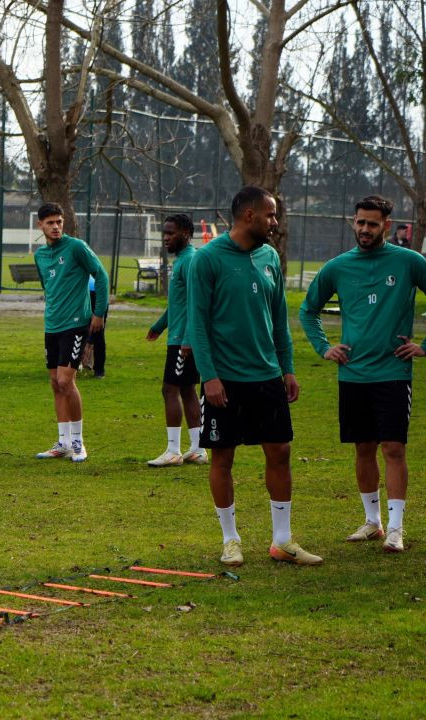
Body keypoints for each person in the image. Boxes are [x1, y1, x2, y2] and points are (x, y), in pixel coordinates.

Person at [299, 195, 426, 553]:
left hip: (393, 372)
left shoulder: (409, 262)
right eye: (360, 222)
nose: (365, 229)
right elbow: (308, 310)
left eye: (372, 224)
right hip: (353, 374)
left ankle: (396, 528)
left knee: (393, 448)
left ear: (387, 226)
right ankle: (372, 522)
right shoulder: (338, 266)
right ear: (354, 222)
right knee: (363, 448)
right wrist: (324, 347)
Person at [187, 185, 320, 566]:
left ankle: (282, 541)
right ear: (249, 215)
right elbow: (198, 323)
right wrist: (209, 376)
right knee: (221, 458)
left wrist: (288, 368)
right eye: (271, 215)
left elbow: (279, 320)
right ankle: (231, 540)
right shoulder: (207, 260)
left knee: (280, 452)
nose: (275, 222)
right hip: (224, 379)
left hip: (267, 377)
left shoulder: (270, 257)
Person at [31, 202, 108, 463]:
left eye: (59, 222)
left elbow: (101, 275)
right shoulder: (40, 255)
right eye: (50, 223)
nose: (55, 227)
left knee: (66, 381)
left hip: (76, 323)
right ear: (39, 225)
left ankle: (78, 441)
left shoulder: (76, 247)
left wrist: (98, 313)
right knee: (55, 382)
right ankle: (62, 442)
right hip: (52, 324)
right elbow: (48, 286)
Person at [144, 214, 206, 466]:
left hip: (184, 340)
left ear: (186, 234)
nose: (166, 238)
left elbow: (197, 303)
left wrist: (189, 339)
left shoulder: (190, 261)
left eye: (171, 233)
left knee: (169, 389)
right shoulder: (183, 260)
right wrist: (159, 326)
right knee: (186, 389)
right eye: (164, 234)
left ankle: (173, 451)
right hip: (179, 336)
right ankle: (198, 448)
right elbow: (178, 304)